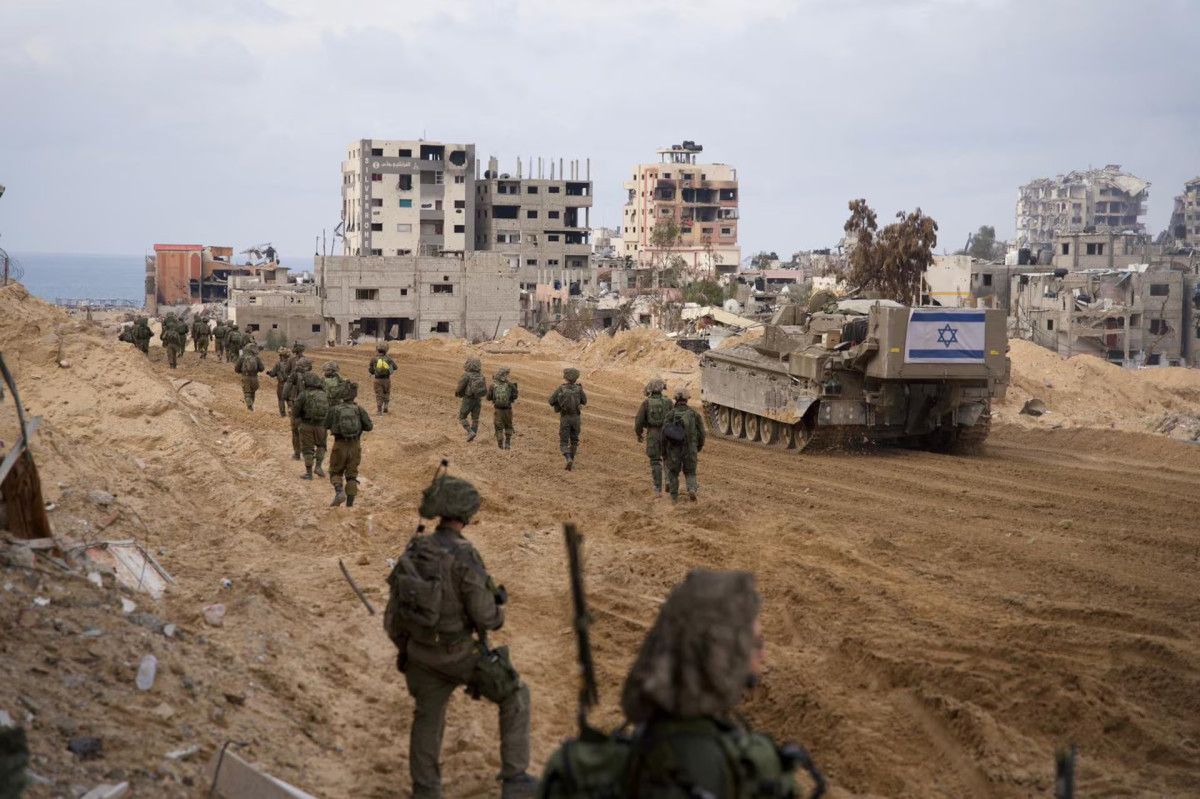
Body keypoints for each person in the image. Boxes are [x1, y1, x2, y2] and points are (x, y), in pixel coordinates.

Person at [538, 570, 806, 798]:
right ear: (724, 660)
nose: (763, 654)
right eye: (756, 643)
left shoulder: (578, 772)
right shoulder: (761, 775)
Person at [383, 474, 534, 799]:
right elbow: (486, 617)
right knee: (516, 694)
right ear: (465, 515)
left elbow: (394, 612)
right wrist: (499, 612)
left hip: (420, 655)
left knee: (427, 719)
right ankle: (515, 781)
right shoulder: (465, 556)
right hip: (459, 655)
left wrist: (407, 649)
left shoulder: (416, 549)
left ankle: (425, 791)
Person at [324, 381, 372, 507]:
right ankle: (350, 505)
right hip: (355, 445)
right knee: (351, 476)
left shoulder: (334, 409)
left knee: (335, 472)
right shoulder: (359, 409)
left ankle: (339, 492)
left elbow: (326, 425)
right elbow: (369, 426)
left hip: (339, 445)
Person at [663, 388, 704, 502]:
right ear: (687, 399)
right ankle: (691, 489)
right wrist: (698, 447)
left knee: (673, 473)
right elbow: (702, 433)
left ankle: (674, 497)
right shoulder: (694, 414)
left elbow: (664, 434)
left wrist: (664, 451)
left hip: (674, 449)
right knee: (690, 472)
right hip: (690, 448)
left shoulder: (670, 414)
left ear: (675, 399)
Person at [634, 377, 672, 498]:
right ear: (662, 388)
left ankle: (657, 488)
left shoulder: (646, 403)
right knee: (667, 458)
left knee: (655, 461)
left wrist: (639, 434)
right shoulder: (669, 402)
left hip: (653, 434)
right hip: (667, 433)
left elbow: (639, 421)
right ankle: (669, 480)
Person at [548, 367, 587, 470]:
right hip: (576, 418)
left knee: (564, 442)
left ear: (565, 377)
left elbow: (551, 401)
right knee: (574, 440)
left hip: (565, 418)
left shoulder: (561, 388)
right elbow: (584, 401)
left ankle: (568, 458)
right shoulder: (579, 388)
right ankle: (571, 461)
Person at [294, 371, 329, 479]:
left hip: (306, 425)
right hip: (321, 426)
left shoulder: (303, 394)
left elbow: (296, 411)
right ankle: (318, 466)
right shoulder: (324, 394)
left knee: (308, 449)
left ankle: (309, 473)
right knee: (321, 446)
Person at [284, 354, 313, 461]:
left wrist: (289, 402)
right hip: (309, 407)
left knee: (295, 431)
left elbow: (285, 392)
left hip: (296, 405)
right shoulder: (313, 377)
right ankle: (308, 454)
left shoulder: (294, 376)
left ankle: (297, 454)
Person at [454, 357, 487, 442]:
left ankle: (470, 432)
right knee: (475, 419)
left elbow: (460, 386)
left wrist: (457, 393)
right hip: (478, 399)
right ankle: (473, 434)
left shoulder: (467, 375)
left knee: (462, 417)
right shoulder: (481, 375)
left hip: (468, 399)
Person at [485, 367, 518, 450]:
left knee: (498, 428)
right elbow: (515, 396)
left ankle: (500, 445)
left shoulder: (493, 385)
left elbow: (488, 398)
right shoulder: (510, 385)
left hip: (498, 410)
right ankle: (507, 443)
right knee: (508, 426)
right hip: (508, 410)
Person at [234, 341, 265, 410]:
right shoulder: (256, 358)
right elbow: (262, 368)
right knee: (253, 392)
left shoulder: (242, 357)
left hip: (246, 377)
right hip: (254, 377)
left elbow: (236, 368)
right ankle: (251, 404)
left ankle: (249, 405)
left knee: (247, 392)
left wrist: (241, 371)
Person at [368, 343, 398, 414]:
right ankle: (386, 406)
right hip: (387, 379)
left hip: (377, 380)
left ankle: (379, 410)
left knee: (379, 394)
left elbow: (371, 370)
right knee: (386, 393)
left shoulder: (374, 359)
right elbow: (395, 367)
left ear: (378, 350)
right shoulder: (389, 358)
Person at [266, 346, 291, 417]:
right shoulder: (291, 363)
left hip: (281, 384)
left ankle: (283, 414)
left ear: (282, 356)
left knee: (281, 399)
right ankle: (291, 411)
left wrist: (269, 373)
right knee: (289, 399)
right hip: (290, 384)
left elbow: (273, 373)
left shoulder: (278, 364)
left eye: (280, 355)